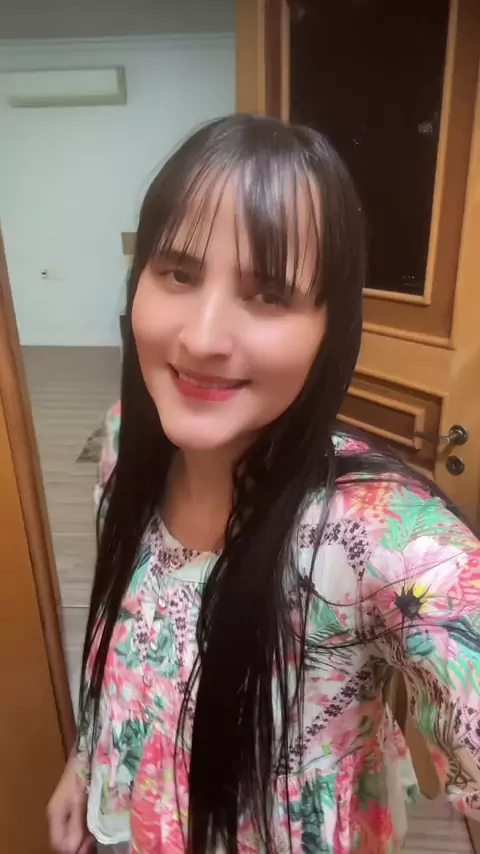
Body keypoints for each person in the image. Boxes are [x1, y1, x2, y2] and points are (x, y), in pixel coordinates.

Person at [47, 114, 480, 854]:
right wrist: (84, 761)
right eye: (178, 274)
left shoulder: (378, 536)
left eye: (270, 293)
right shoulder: (124, 443)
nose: (202, 337)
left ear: (331, 329)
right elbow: (118, 626)